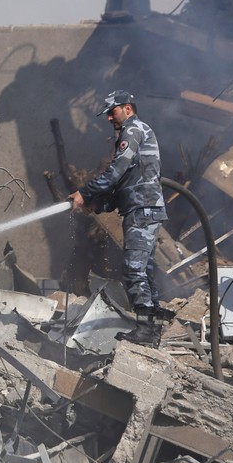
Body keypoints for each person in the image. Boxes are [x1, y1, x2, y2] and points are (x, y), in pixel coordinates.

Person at [67, 90, 170, 345]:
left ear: (127, 108)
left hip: (142, 209)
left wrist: (84, 192)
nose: (110, 119)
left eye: (112, 112)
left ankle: (145, 331)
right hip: (142, 207)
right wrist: (97, 204)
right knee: (143, 269)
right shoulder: (135, 131)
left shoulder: (133, 130)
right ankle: (152, 328)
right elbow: (124, 183)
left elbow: (115, 173)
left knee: (133, 268)